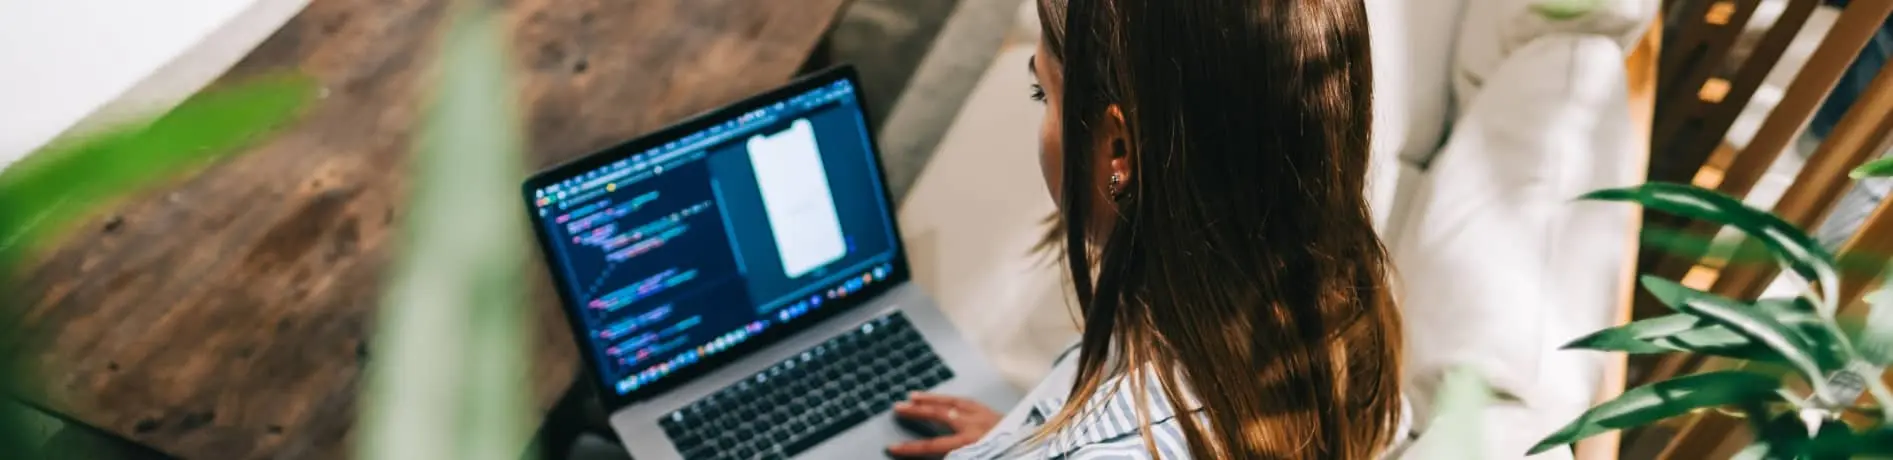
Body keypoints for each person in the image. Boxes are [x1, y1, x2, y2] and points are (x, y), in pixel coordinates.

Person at [883, 0, 1410, 458]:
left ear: (1117, 151)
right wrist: (1018, 436)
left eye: (1042, 94)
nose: (1042, 116)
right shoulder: (1343, 302)